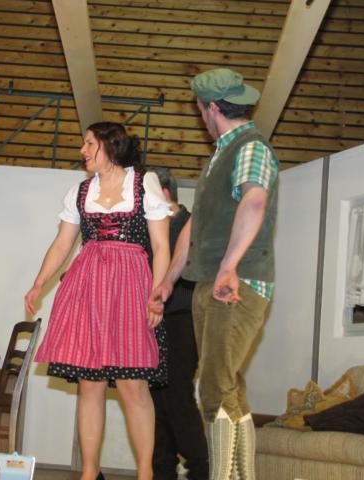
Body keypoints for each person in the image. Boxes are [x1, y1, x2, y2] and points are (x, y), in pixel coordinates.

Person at [150, 68, 279, 480]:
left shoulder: (250, 147)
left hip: (236, 284)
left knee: (214, 389)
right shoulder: (220, 156)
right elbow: (195, 226)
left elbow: (254, 202)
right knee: (229, 385)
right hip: (209, 283)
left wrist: (228, 267)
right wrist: (169, 280)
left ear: (209, 108)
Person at [24, 122, 170, 480]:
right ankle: (89, 473)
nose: (82, 150)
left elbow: (161, 245)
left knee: (132, 385)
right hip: (88, 286)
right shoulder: (80, 191)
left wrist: (157, 295)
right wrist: (39, 283)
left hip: (131, 286)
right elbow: (63, 243)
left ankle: (145, 473)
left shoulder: (144, 184)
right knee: (90, 383)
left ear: (110, 145)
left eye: (89, 143)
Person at [148, 167, 208, 480]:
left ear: (164, 193)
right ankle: (162, 472)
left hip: (185, 319)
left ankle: (201, 469)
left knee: (177, 394)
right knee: (156, 398)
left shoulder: (192, 225)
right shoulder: (150, 227)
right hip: (154, 321)